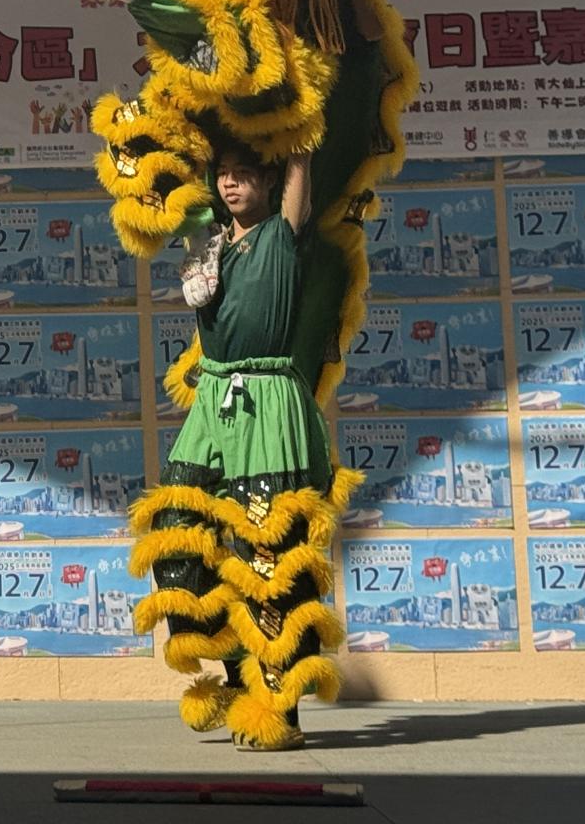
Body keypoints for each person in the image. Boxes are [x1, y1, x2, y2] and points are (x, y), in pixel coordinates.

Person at [133, 146, 343, 752]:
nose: (230, 184)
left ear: (269, 181)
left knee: (268, 555)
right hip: (215, 398)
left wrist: (299, 146)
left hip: (268, 402)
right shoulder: (210, 241)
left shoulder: (282, 233)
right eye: (224, 174)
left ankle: (281, 710)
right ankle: (233, 675)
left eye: (244, 174)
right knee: (178, 529)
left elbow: (300, 176)